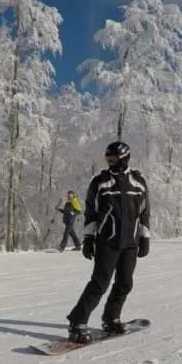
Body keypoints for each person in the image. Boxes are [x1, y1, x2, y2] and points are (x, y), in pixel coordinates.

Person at [65, 141, 150, 344]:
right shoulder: (100, 182)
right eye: (107, 159)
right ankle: (77, 322)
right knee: (99, 284)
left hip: (130, 242)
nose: (110, 163)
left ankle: (111, 318)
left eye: (113, 159)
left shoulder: (138, 182)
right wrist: (88, 238)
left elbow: (145, 211)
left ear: (124, 158)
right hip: (108, 242)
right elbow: (90, 213)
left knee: (125, 283)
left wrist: (145, 236)